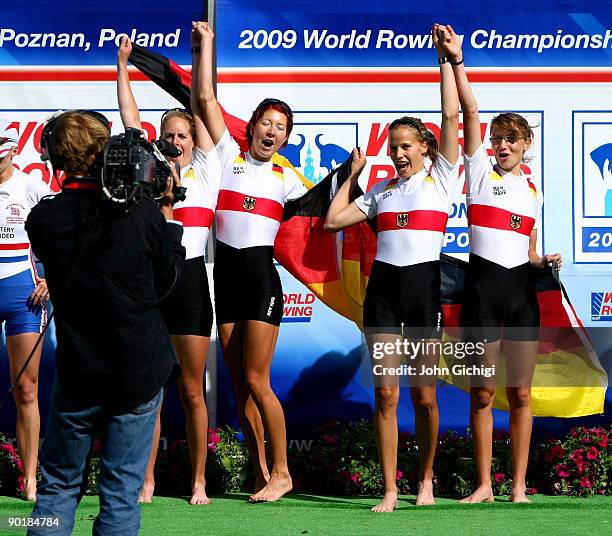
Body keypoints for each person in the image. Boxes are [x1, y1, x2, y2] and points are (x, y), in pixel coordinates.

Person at [26, 110, 185, 535]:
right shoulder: (143, 214)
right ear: (108, 152)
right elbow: (168, 281)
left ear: (53, 158)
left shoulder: (42, 220)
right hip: (136, 373)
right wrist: (167, 213)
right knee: (120, 494)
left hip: (80, 371)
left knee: (57, 490)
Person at [324, 25, 461, 512]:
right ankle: (388, 488)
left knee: (424, 397)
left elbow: (450, 114)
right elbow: (332, 220)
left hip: (423, 291)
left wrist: (446, 61)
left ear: (424, 148)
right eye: (394, 147)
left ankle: (425, 481)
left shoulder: (442, 179)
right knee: (385, 396)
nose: (399, 153)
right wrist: (352, 176)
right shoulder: (381, 193)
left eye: (407, 146)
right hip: (383, 291)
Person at [436, 24, 562, 503]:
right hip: (482, 295)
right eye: (498, 139)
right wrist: (455, 61)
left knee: (523, 396)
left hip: (522, 297)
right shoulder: (478, 171)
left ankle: (520, 487)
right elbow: (466, 110)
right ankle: (485, 485)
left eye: (512, 139)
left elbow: (527, 251)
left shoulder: (534, 192)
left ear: (527, 144)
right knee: (484, 394)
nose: (503, 145)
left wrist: (541, 259)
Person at [194, 21, 309, 502]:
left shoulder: (288, 179)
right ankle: (261, 473)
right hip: (228, 279)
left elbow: (330, 218)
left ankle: (283, 471)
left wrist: (354, 178)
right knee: (239, 384)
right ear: (254, 125)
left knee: (259, 380)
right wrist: (206, 47)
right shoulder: (226, 158)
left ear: (285, 139)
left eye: (281, 128)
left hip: (262, 279)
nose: (272, 131)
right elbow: (204, 101)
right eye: (267, 122)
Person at [117, 34, 220, 505]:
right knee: (150, 390)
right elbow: (131, 120)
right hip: (154, 287)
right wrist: (123, 66)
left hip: (193, 284)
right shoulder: (150, 170)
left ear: (194, 139)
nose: (177, 141)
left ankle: (199, 480)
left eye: (184, 135)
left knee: (192, 390)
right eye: (171, 135)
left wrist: (201, 54)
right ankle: (148, 479)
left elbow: (202, 100)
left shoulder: (209, 170)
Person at [0, 119, 51, 501]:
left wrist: (51, 277)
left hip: (23, 292)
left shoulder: (30, 185)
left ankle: (30, 477)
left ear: (14, 150)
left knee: (27, 390)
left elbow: (61, 234)